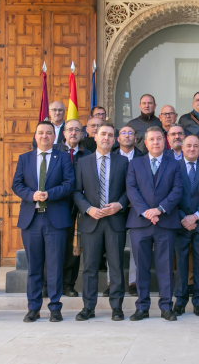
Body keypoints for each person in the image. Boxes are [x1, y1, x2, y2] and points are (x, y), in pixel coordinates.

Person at [12, 121, 75, 323]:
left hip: (55, 219)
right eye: (41, 133)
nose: (45, 136)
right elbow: (17, 185)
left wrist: (49, 194)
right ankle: (33, 308)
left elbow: (69, 184)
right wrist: (32, 195)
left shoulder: (64, 158)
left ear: (54, 137)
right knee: (34, 267)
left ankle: (55, 307)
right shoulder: (24, 158)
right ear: (36, 135)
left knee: (55, 266)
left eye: (49, 133)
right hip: (31, 220)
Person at [126, 126, 184, 321]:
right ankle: (142, 307)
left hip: (165, 222)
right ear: (145, 142)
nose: (156, 142)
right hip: (140, 223)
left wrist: (159, 209)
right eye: (152, 139)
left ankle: (166, 306)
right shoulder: (135, 164)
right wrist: (146, 212)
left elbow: (177, 190)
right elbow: (132, 190)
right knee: (141, 267)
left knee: (165, 266)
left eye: (159, 139)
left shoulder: (174, 164)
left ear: (164, 141)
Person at [74, 122, 130, 322]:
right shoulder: (82, 162)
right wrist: (88, 209)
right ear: (95, 137)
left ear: (114, 140)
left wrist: (120, 205)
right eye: (102, 134)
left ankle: (117, 307)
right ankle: (88, 307)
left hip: (115, 221)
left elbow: (128, 190)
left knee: (115, 266)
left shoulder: (123, 162)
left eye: (110, 135)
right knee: (89, 267)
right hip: (92, 221)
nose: (106, 138)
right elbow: (76, 192)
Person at [174, 135, 199, 317]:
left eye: (196, 146)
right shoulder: (173, 168)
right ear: (182, 147)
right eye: (188, 145)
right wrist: (184, 218)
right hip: (180, 225)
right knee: (180, 265)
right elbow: (171, 195)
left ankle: (198, 302)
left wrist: (195, 217)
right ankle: (180, 302)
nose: (192, 149)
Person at [50, 119, 85, 297]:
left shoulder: (87, 154)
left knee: (73, 249)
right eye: (70, 129)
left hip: (77, 208)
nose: (73, 133)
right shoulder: (53, 151)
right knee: (52, 248)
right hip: (56, 206)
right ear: (63, 133)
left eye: (77, 130)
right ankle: (47, 284)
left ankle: (68, 284)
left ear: (82, 134)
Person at [111, 125, 142, 296]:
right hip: (115, 208)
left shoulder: (143, 157)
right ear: (118, 138)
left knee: (135, 246)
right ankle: (111, 283)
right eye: (123, 132)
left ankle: (134, 282)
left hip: (136, 208)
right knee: (113, 246)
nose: (127, 135)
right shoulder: (112, 156)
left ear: (135, 138)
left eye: (131, 132)